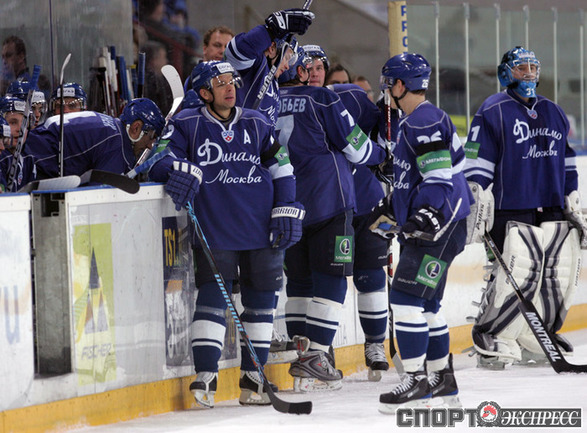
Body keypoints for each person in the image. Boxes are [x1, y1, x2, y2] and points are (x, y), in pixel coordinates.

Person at [149, 60, 303, 408]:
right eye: (220, 83)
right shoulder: (187, 124)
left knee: (261, 302)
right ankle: (206, 374)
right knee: (213, 298)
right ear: (205, 93)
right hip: (216, 226)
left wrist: (285, 204)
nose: (230, 87)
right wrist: (177, 168)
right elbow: (158, 159)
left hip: (261, 227)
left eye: (231, 80)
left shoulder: (257, 122)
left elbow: (282, 166)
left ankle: (252, 378)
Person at [463, 46, 586, 369]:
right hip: (511, 208)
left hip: (551, 206)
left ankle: (535, 334)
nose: (529, 73)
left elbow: (567, 158)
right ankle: (493, 335)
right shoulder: (493, 109)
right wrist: (478, 194)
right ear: (507, 73)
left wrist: (571, 194)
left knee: (553, 275)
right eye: (521, 68)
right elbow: (477, 159)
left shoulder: (553, 111)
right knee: (515, 274)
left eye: (533, 67)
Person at [276, 46, 387, 392]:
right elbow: (358, 148)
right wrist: (383, 155)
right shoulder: (324, 99)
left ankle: (302, 354)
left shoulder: (267, 101)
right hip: (329, 202)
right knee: (333, 280)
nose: (312, 71)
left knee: (299, 283)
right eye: (307, 66)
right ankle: (317, 354)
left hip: (287, 204)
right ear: (301, 71)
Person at [371, 53, 472, 412]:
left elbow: (438, 177)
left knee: (405, 300)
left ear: (401, 85)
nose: (386, 91)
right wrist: (392, 208)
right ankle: (442, 379)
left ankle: (416, 380)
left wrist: (426, 214)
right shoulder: (416, 120)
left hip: (437, 229)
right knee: (427, 305)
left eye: (388, 84)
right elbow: (417, 176)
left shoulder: (423, 121)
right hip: (442, 226)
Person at [24, 98, 164, 178]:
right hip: (33, 164)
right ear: (136, 128)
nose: (150, 145)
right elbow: (100, 197)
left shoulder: (110, 126)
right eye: (151, 137)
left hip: (27, 148)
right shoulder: (116, 146)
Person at [224, 7, 314, 125]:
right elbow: (239, 49)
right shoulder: (254, 65)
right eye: (287, 58)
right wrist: (271, 30)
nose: (287, 67)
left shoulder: (274, 83)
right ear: (272, 49)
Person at [0, 96, 36, 191]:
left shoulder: (28, 155)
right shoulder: (2, 157)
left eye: (24, 123)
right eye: (13, 123)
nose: (20, 129)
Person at [141, 41, 173, 114]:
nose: (166, 61)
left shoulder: (160, 80)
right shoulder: (149, 83)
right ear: (153, 60)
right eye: (163, 57)